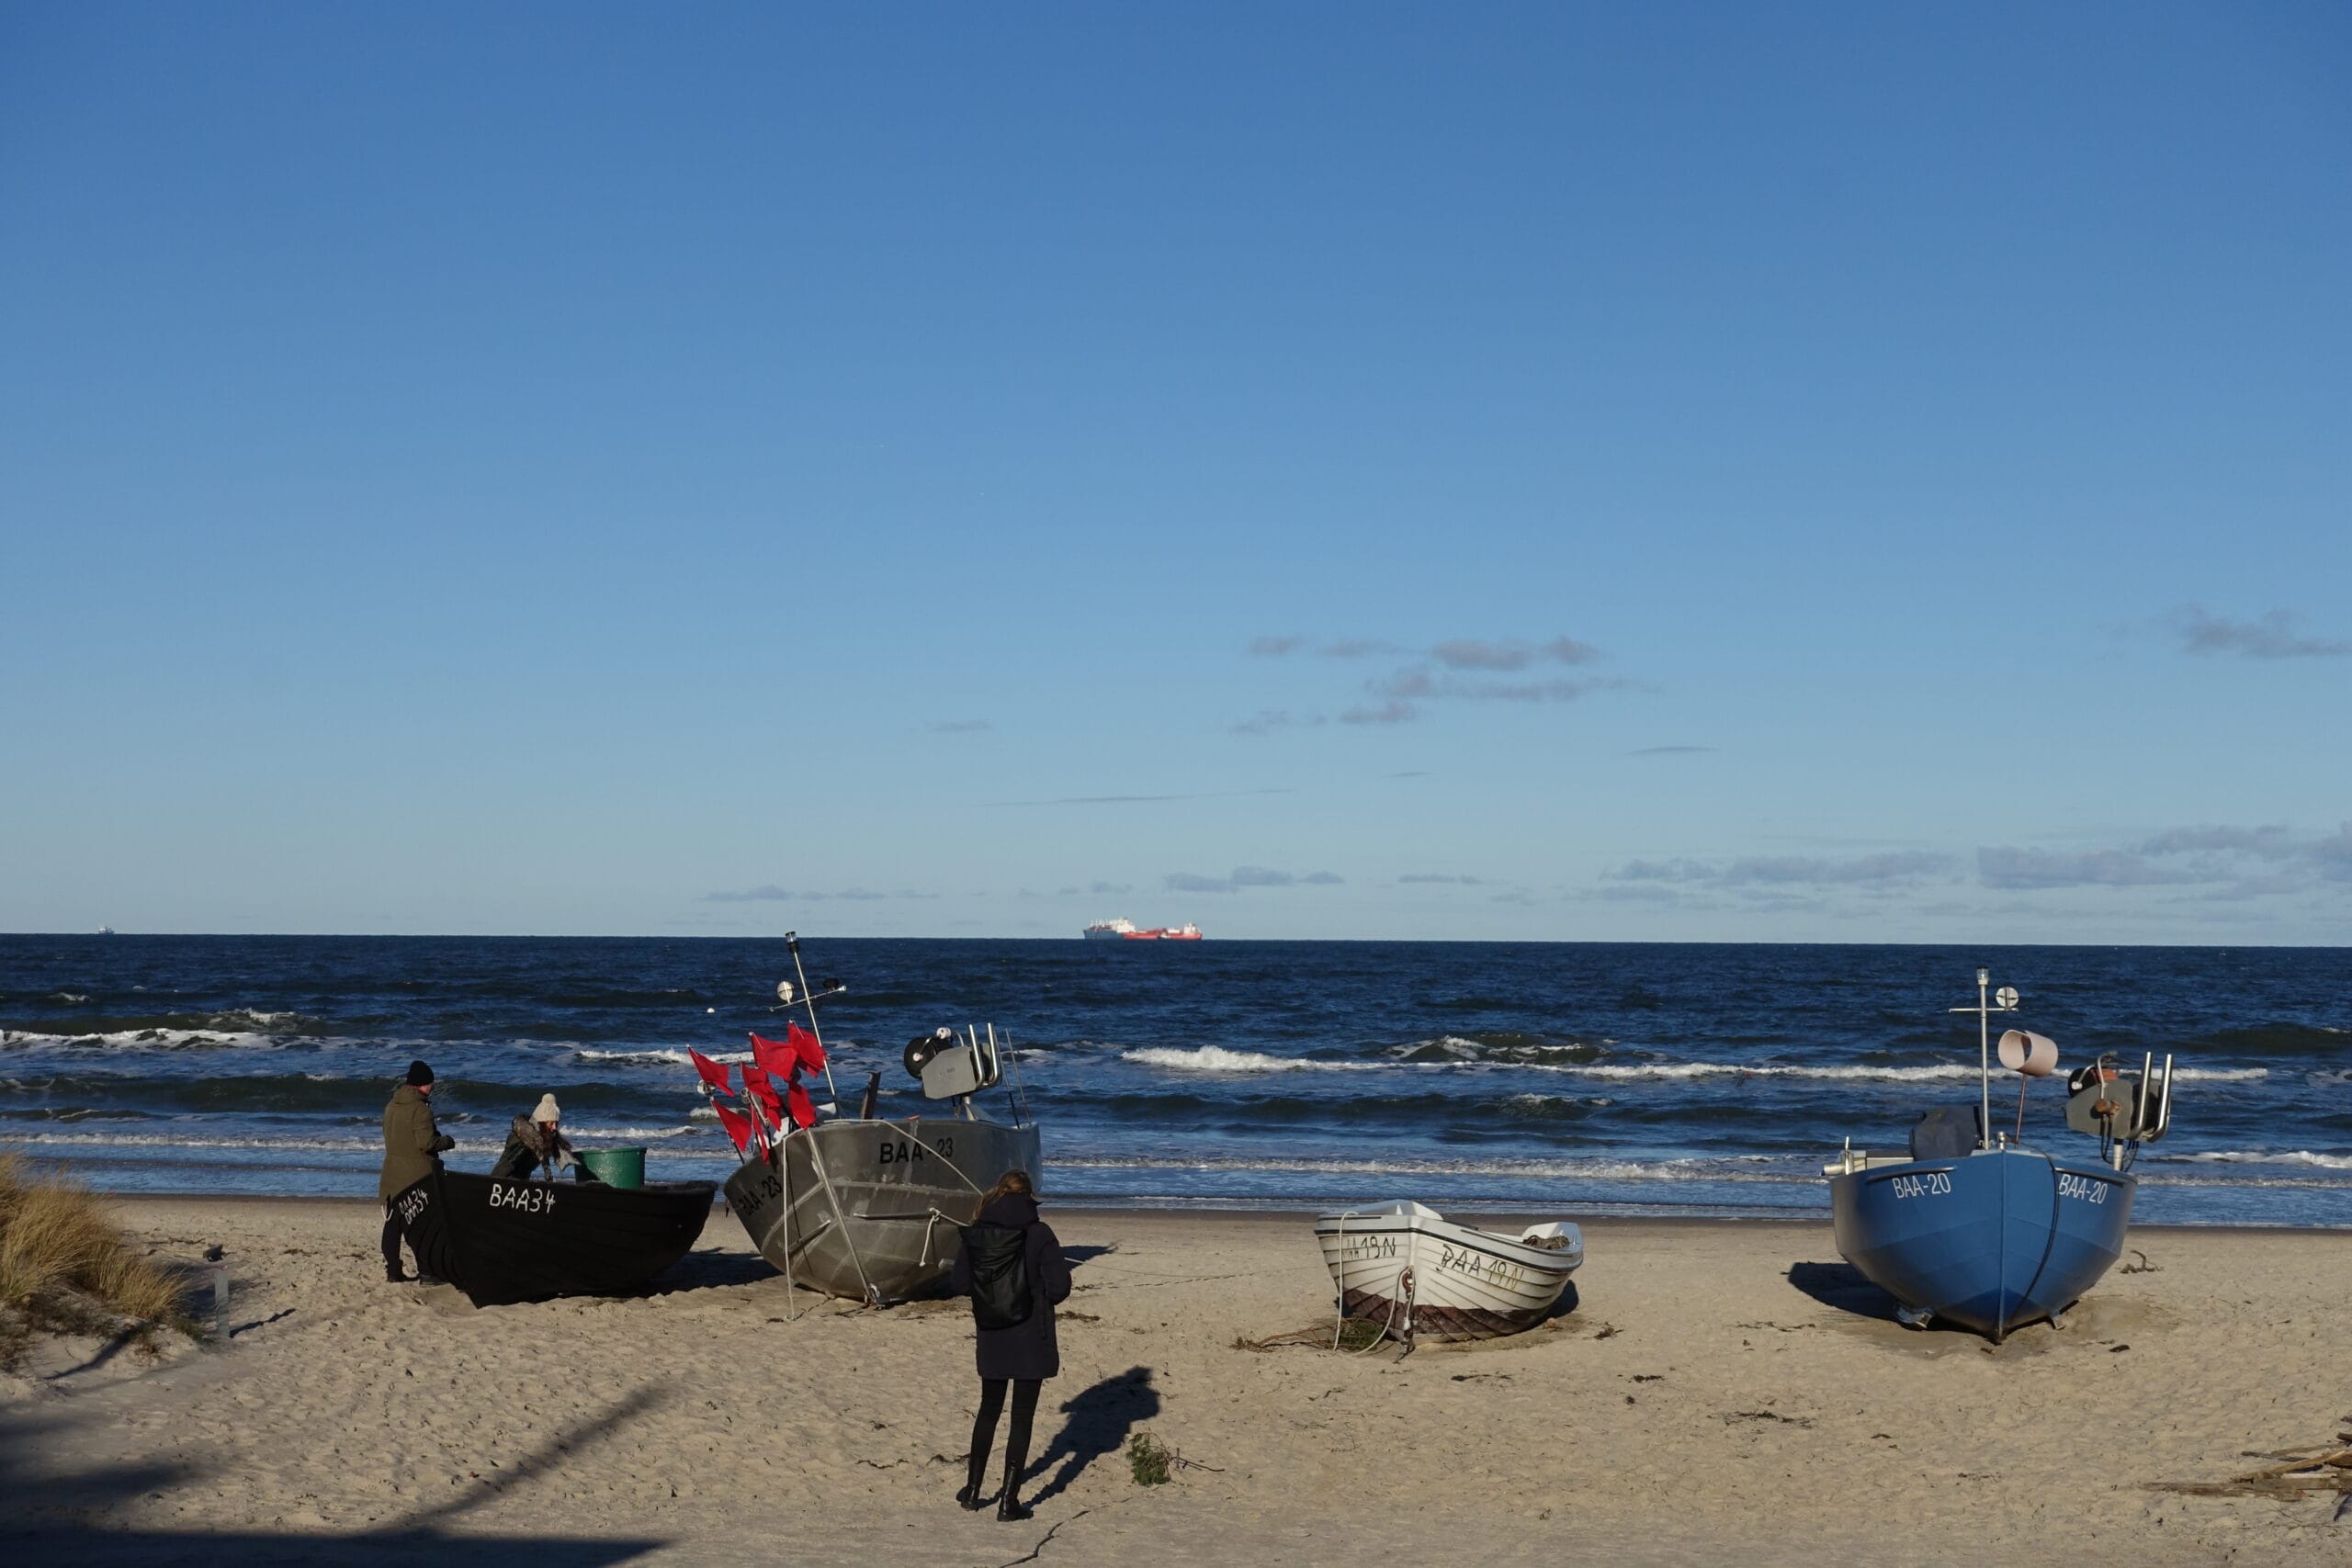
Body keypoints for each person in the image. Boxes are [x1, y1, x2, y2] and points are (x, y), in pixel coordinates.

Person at [947, 1169, 1070, 1522]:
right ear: (1029, 1197)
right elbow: (1060, 1287)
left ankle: (972, 1491)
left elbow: (957, 1283)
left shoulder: (977, 1233)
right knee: (1021, 1417)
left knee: (988, 1410)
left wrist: (989, 1293)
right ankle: (1008, 1502)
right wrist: (1038, 1294)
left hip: (992, 1333)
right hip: (1031, 1335)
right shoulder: (1040, 1233)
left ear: (998, 1192)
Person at [379, 1060, 456, 1283]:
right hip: (417, 1176)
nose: (432, 1087)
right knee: (422, 1227)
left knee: (393, 1224)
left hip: (392, 1173)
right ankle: (428, 1273)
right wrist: (447, 1142)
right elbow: (426, 1143)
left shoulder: (391, 1106)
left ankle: (393, 1271)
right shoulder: (420, 1109)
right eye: (430, 1083)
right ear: (423, 1085)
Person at [491, 1093, 580, 1180]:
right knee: (524, 1148)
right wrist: (546, 1167)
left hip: (522, 1181)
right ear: (542, 1122)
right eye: (551, 1123)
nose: (554, 1127)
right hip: (502, 1177)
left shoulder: (548, 1136)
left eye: (556, 1123)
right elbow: (536, 1146)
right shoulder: (525, 1134)